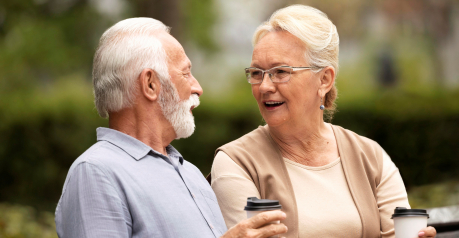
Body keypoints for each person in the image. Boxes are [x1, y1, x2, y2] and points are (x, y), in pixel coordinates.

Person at [210, 5, 436, 238]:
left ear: (324, 80)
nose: (265, 86)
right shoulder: (236, 163)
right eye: (257, 73)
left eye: (280, 72)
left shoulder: (370, 156)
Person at [55, 17, 287, 238]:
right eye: (186, 73)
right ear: (150, 84)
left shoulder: (191, 173)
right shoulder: (96, 171)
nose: (198, 87)